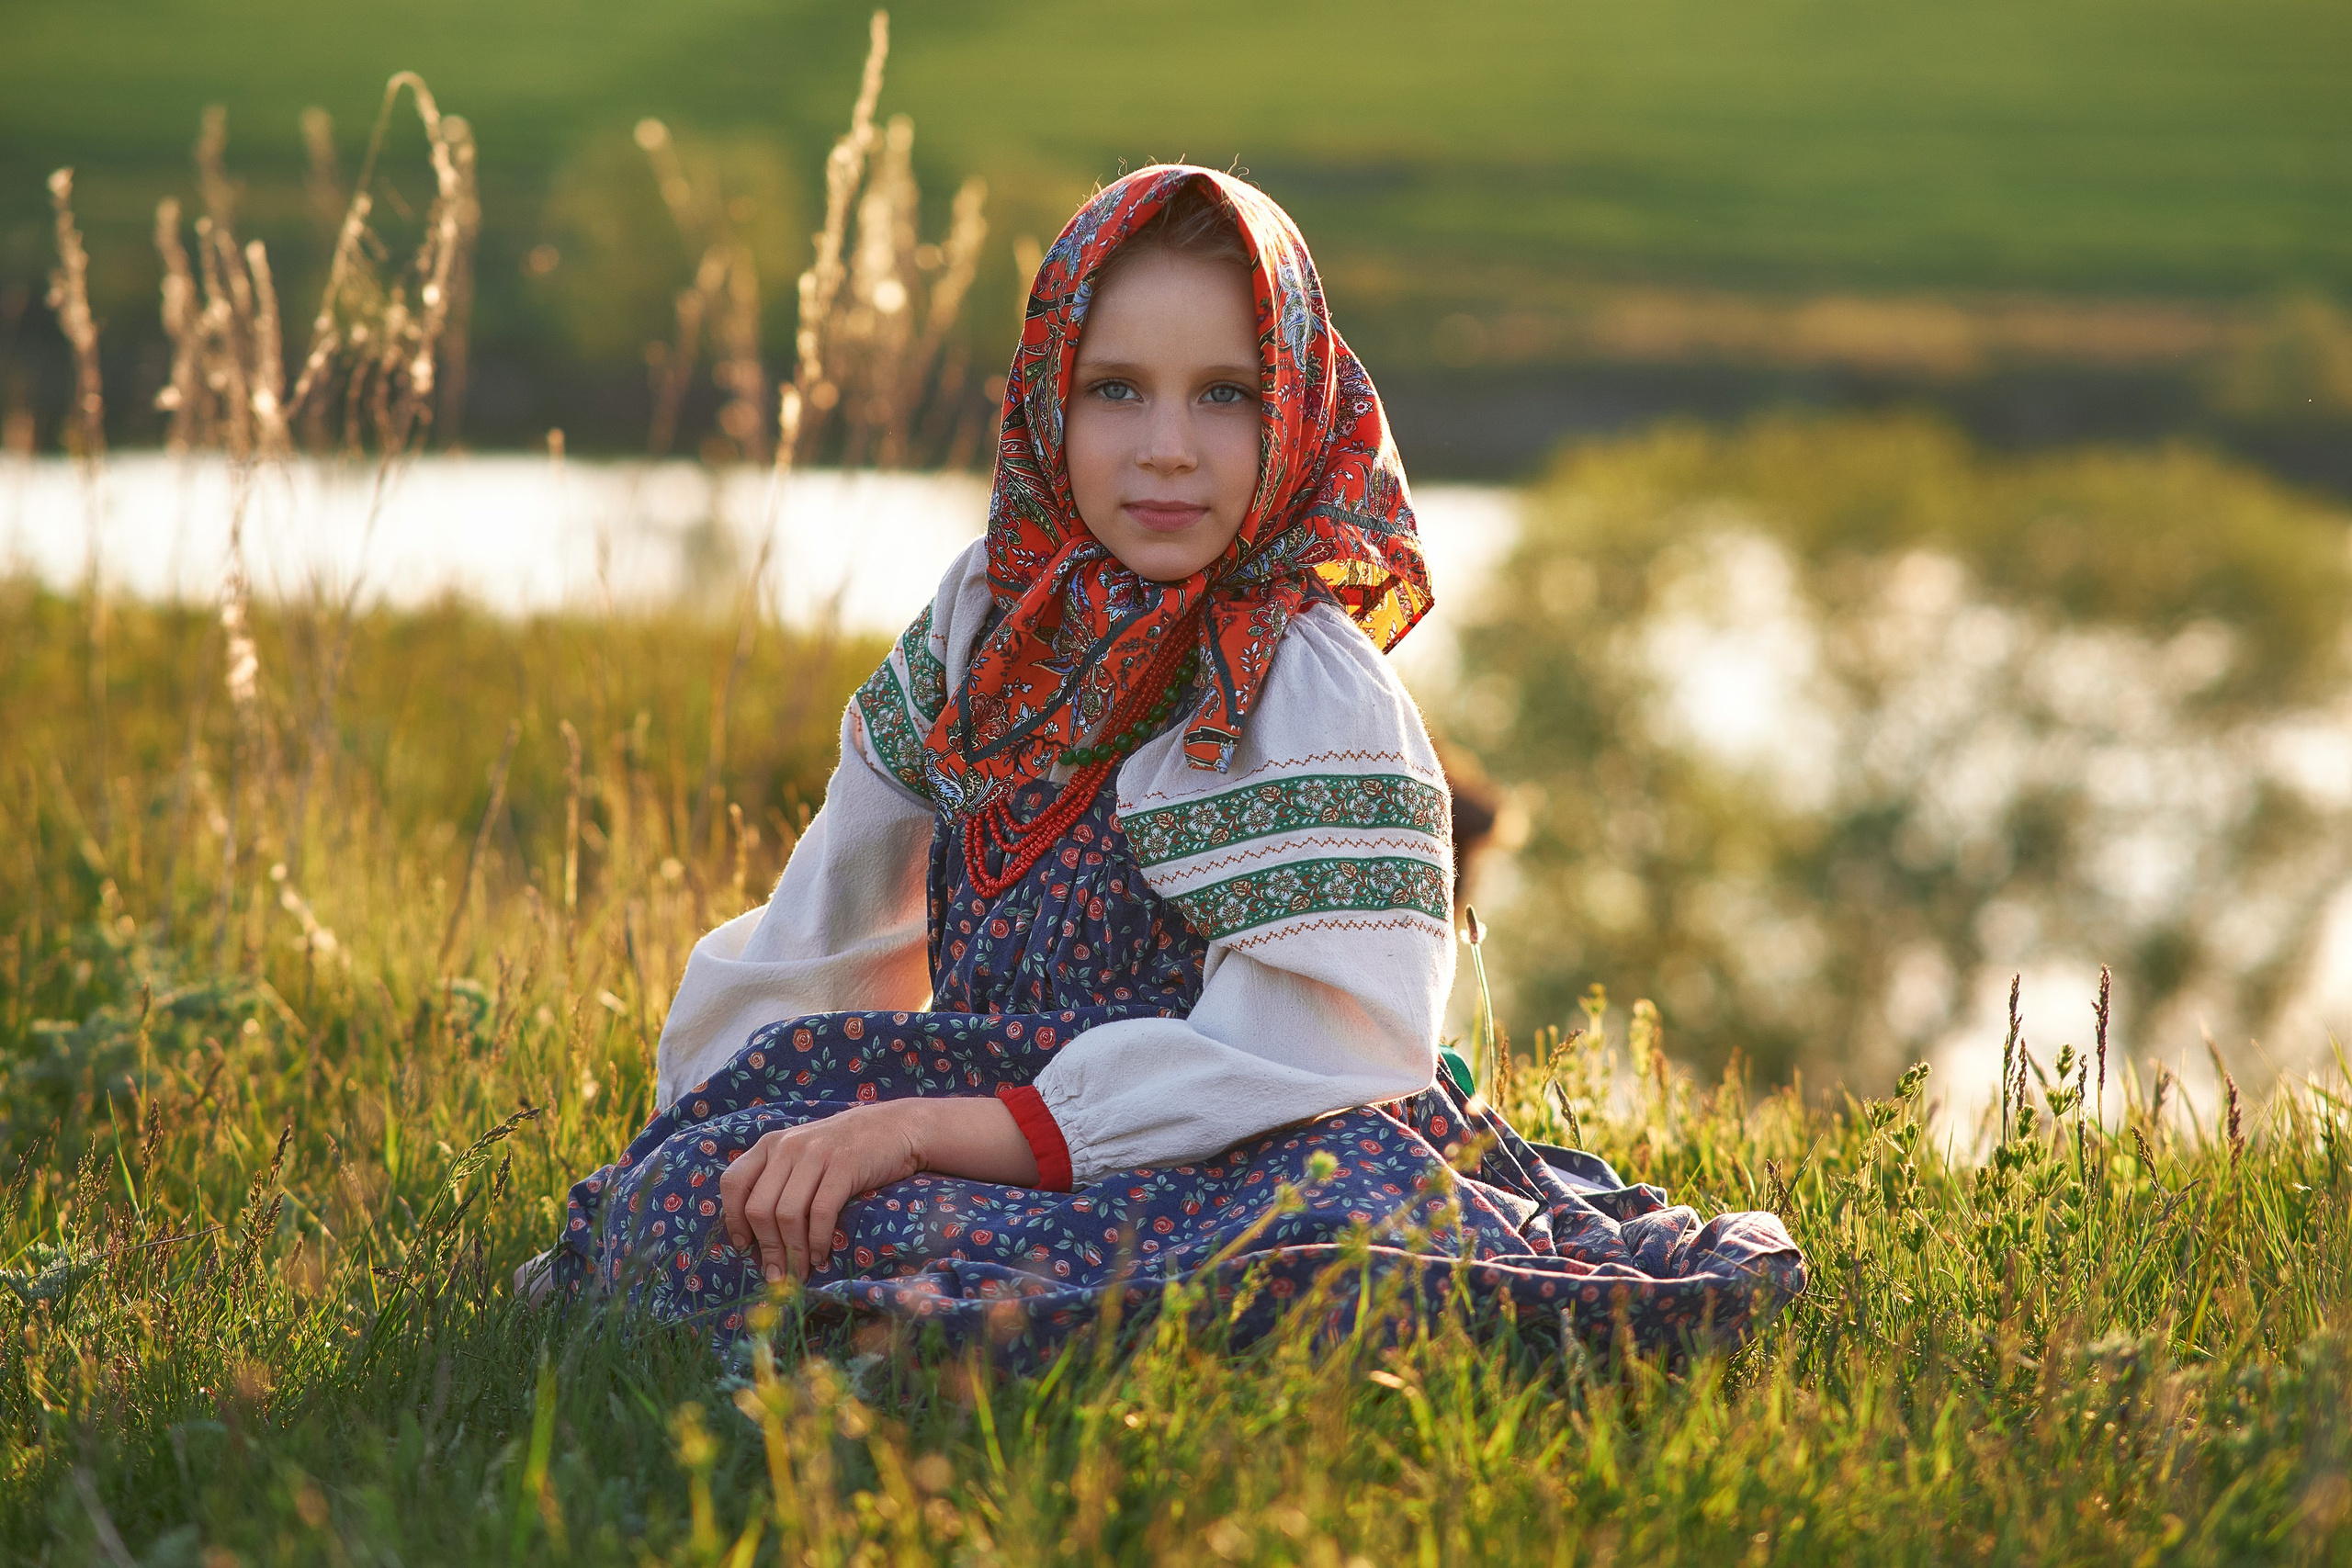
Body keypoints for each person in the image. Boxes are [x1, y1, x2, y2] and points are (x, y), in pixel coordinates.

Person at [542, 166, 1804, 1361]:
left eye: (1226, 395)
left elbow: (1318, 1048)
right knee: (700, 1206)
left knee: (1337, 1250)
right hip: (992, 1124)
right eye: (1116, 390)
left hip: (1237, 1141)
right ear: (1050, 396)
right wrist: (730, 1133)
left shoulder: (1307, 681)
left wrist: (909, 1133)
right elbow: (820, 937)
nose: (1166, 447)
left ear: (1297, 407)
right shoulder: (985, 619)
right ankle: (942, 1327)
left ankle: (952, 1340)